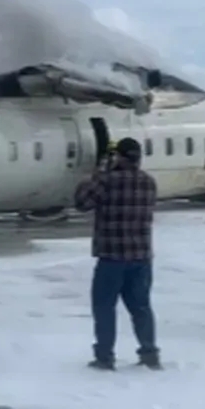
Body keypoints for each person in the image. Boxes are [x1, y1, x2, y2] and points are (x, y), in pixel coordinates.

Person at [73, 136, 161, 370]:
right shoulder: (149, 182)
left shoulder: (106, 181)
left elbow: (81, 203)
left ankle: (105, 356)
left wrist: (95, 175)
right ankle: (149, 353)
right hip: (141, 256)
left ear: (119, 157)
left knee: (104, 308)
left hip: (112, 256)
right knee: (141, 307)